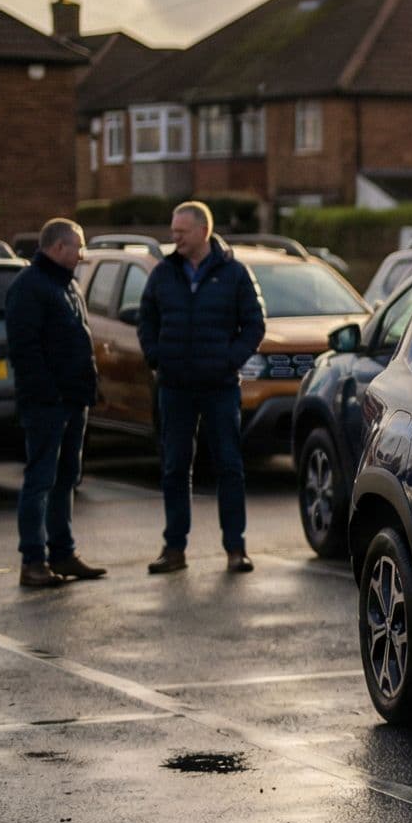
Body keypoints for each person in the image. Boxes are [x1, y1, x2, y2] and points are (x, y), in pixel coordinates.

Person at [138, 201, 265, 574]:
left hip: (220, 386)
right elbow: (146, 318)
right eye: (173, 231)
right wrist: (156, 355)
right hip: (174, 386)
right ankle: (174, 548)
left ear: (202, 232)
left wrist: (229, 359)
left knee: (229, 466)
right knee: (175, 466)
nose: (174, 237)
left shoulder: (234, 274)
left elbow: (255, 324)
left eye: (181, 231)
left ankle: (235, 548)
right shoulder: (163, 273)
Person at [3, 217, 105, 589]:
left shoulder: (66, 285)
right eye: (78, 247)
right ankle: (33, 561)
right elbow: (25, 350)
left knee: (65, 479)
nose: (83, 254)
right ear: (59, 247)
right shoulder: (30, 287)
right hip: (48, 404)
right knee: (41, 479)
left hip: (73, 400)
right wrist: (50, 394)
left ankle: (63, 553)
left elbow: (76, 342)